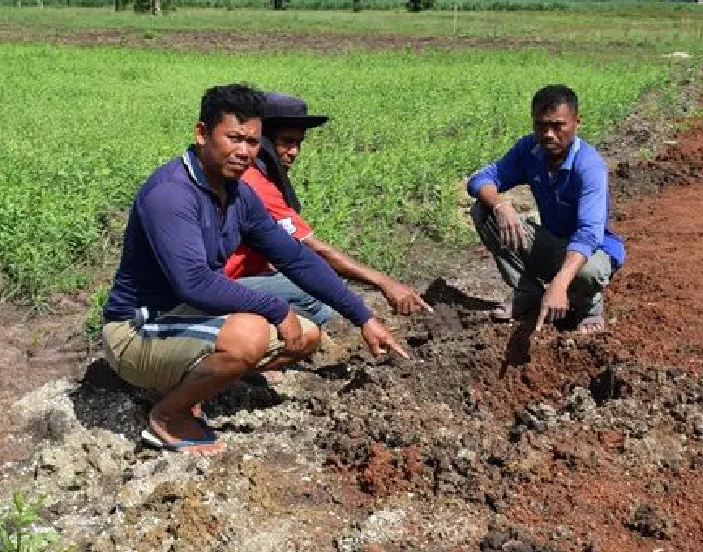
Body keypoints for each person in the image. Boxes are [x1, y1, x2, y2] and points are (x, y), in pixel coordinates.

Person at [101, 84, 408, 455]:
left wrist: (363, 317)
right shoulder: (171, 194)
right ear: (202, 133)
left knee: (306, 336)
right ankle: (168, 416)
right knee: (251, 334)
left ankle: (183, 382)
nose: (244, 152)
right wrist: (276, 309)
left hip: (183, 319)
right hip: (137, 330)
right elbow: (194, 283)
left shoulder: (238, 193)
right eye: (233, 139)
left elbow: (294, 257)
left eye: (252, 142)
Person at [224, 91, 432, 323]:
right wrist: (383, 281)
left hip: (241, 276)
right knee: (313, 288)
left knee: (320, 307)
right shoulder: (255, 183)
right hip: (221, 283)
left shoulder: (258, 176)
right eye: (287, 142)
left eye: (299, 143)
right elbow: (313, 249)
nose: (294, 153)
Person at [466, 84, 625, 333]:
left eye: (558, 125)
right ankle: (527, 291)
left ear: (576, 122)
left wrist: (559, 283)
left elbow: (589, 234)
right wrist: (501, 204)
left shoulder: (589, 166)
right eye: (541, 125)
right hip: (552, 243)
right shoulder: (529, 150)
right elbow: (480, 179)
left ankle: (588, 308)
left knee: (587, 272)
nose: (548, 134)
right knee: (483, 211)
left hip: (593, 251)